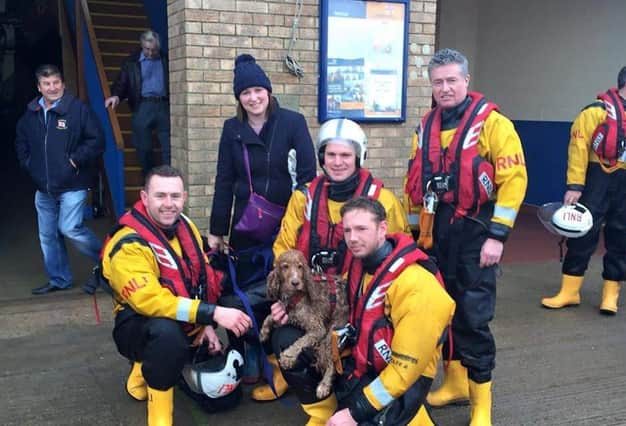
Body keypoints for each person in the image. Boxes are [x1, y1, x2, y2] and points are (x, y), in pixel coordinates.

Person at [404, 48, 527, 424]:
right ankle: (455, 382)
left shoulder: (493, 125)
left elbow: (514, 182)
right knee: (441, 312)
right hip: (435, 235)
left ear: (466, 80)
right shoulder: (424, 127)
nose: (445, 88)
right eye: (438, 81)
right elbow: (414, 187)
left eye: (452, 80)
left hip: (476, 234)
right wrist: (413, 236)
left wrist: (498, 237)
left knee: (473, 319)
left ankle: (481, 408)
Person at [253, 118, 410, 410]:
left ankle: (350, 396)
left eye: (345, 155)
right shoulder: (303, 198)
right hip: (310, 301)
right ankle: (318, 408)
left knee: (360, 355)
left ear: (359, 156)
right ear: (321, 157)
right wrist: (286, 298)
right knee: (282, 336)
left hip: (358, 305)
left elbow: (398, 260)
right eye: (330, 154)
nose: (337, 162)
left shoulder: (383, 201)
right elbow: (283, 250)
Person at [280, 197, 454, 425]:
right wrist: (289, 305)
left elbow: (404, 372)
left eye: (361, 229)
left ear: (383, 228)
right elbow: (330, 302)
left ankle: (415, 418)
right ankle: (324, 415)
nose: (352, 238)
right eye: (348, 230)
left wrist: (355, 413)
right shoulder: (359, 264)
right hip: (363, 364)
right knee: (285, 339)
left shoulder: (418, 286)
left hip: (403, 382)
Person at [102, 165, 252, 426]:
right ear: (144, 197)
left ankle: (145, 372)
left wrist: (206, 325)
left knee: (236, 299)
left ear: (184, 197)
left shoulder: (187, 227)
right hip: (137, 326)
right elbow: (149, 300)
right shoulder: (128, 243)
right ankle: (159, 416)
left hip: (184, 316)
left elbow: (202, 277)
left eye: (175, 196)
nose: (168, 204)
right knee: (166, 335)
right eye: (160, 196)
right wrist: (212, 314)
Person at [208, 53, 316, 383]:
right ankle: (248, 349)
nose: (253, 98)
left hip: (286, 225)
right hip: (245, 225)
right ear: (238, 98)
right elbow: (224, 179)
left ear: (268, 91)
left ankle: (277, 353)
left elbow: (309, 175)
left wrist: (302, 223)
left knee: (282, 291)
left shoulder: (292, 123)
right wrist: (216, 230)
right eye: (246, 93)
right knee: (241, 291)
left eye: (258, 90)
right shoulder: (232, 129)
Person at [541, 64, 626, 315]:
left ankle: (610, 295)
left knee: (621, 237)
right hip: (597, 179)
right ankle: (569, 291)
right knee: (583, 234)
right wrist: (575, 186)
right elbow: (578, 149)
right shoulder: (595, 112)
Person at [15, 64, 105, 295]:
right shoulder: (31, 114)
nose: (52, 87)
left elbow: (97, 140)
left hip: (72, 184)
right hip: (43, 188)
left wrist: (74, 161)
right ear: (39, 87)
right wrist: (29, 165)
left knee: (69, 228)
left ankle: (109, 261)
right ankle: (59, 279)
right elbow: (21, 143)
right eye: (47, 84)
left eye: (56, 83)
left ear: (63, 84)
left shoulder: (78, 110)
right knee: (48, 236)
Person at [105, 30, 170, 177]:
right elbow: (122, 82)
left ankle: (169, 180)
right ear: (142, 46)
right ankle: (149, 180)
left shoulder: (167, 59)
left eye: (153, 49)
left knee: (169, 147)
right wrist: (116, 96)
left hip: (163, 106)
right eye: (147, 49)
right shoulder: (131, 62)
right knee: (143, 148)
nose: (150, 52)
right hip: (142, 106)